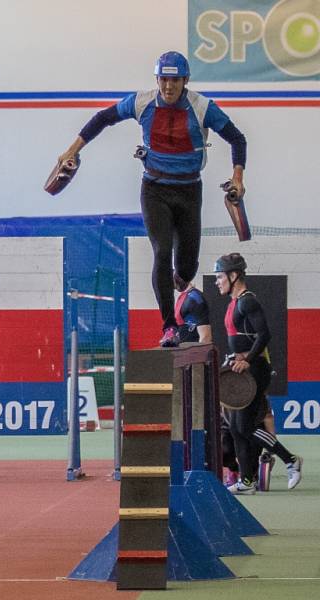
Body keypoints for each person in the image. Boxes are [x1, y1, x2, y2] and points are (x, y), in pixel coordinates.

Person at [57, 51, 247, 347]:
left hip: (189, 190)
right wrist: (72, 150)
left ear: (185, 81)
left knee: (186, 267)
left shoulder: (202, 107)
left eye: (174, 80)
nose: (168, 87)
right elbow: (103, 118)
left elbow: (237, 138)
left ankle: (177, 281)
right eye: (163, 80)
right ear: (156, 79)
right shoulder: (141, 102)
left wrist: (238, 177)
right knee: (161, 251)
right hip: (155, 189)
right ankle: (169, 325)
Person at [214, 253, 303, 494]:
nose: (217, 281)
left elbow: (264, 336)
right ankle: (247, 482)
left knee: (244, 428)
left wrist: (248, 359)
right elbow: (245, 340)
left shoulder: (247, 301)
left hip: (255, 371)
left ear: (234, 276)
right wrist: (236, 357)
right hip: (243, 368)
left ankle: (290, 460)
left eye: (220, 276)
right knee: (235, 429)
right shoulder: (233, 303)